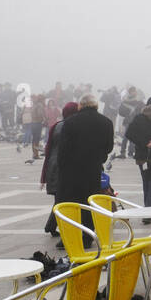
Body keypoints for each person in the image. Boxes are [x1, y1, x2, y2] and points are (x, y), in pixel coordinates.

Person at [55, 94, 114, 249]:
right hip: (92, 168)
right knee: (89, 202)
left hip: (71, 170)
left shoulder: (70, 122)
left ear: (81, 105)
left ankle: (69, 237)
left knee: (71, 203)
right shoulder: (106, 122)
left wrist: (61, 168)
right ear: (96, 105)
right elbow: (109, 147)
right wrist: (99, 157)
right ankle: (88, 236)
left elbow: (63, 149)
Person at [41, 101, 79, 235]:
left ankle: (51, 226)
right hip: (63, 165)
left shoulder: (56, 126)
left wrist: (44, 173)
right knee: (62, 199)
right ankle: (51, 226)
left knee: (59, 198)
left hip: (52, 164)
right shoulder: (72, 127)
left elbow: (48, 149)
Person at [117, 86, 145, 159]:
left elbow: (120, 112)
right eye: (134, 91)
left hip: (128, 120)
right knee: (132, 137)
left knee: (126, 136)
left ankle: (123, 152)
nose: (134, 92)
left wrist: (127, 114)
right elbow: (143, 110)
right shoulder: (139, 101)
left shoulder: (125, 100)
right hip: (134, 120)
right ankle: (130, 152)